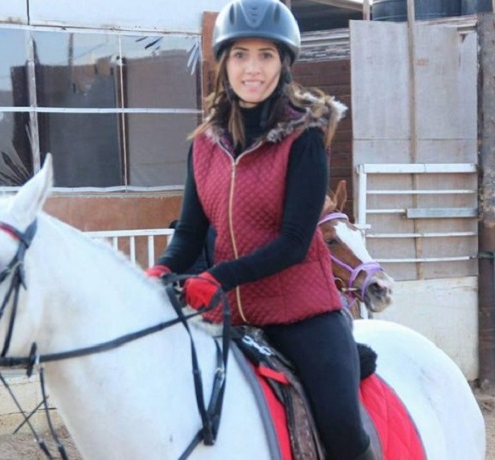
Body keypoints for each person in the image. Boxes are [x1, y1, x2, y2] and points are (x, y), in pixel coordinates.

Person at [145, 1, 377, 459]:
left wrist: (218, 278)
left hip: (303, 314)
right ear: (224, 63)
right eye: (241, 55)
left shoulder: (304, 138)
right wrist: (160, 270)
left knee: (344, 429)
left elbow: (294, 243)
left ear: (283, 63)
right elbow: (189, 232)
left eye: (266, 55)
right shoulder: (204, 144)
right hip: (228, 315)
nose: (252, 68)